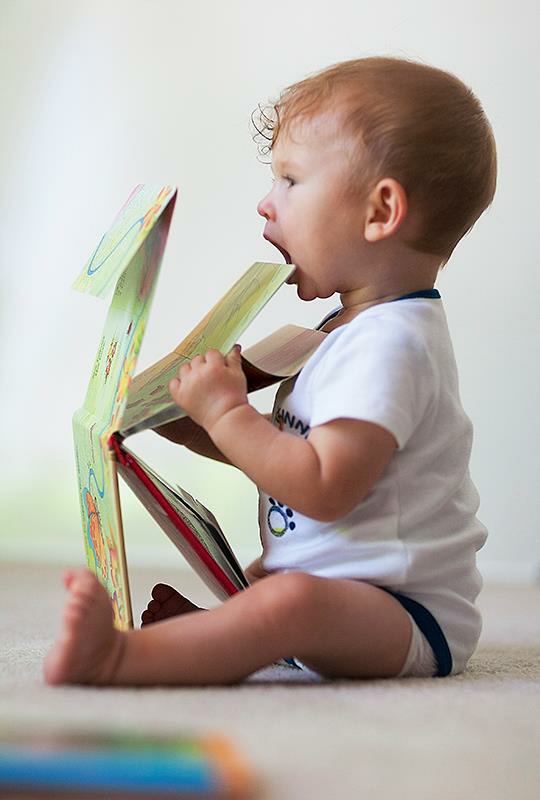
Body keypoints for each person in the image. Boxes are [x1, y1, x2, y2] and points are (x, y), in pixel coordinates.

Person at [44, 56, 496, 686]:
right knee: (268, 588)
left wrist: (227, 414)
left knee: (288, 604)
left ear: (380, 210)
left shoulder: (392, 347)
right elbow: (288, 457)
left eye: (289, 179)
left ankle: (122, 661)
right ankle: (214, 636)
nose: (266, 202)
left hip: (404, 613)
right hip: (340, 584)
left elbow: (322, 486)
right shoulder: (343, 331)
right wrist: (188, 423)